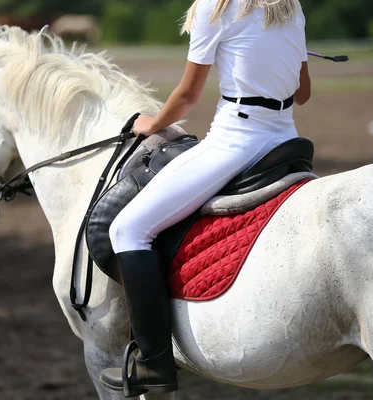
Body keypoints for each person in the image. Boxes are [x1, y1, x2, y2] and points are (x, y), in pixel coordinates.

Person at [99, 0, 311, 396]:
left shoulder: (214, 7)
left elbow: (187, 97)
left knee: (127, 229)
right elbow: (303, 93)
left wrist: (152, 124)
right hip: (286, 138)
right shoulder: (289, 6)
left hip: (237, 140)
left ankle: (153, 363)